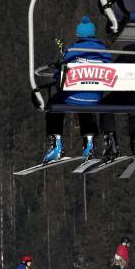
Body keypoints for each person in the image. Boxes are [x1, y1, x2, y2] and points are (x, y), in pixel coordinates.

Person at [41, 15, 112, 163]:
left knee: (54, 104)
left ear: (79, 34)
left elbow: (58, 76)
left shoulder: (72, 50)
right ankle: (89, 142)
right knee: (86, 104)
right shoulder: (103, 51)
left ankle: (56, 145)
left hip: (73, 96)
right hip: (95, 97)